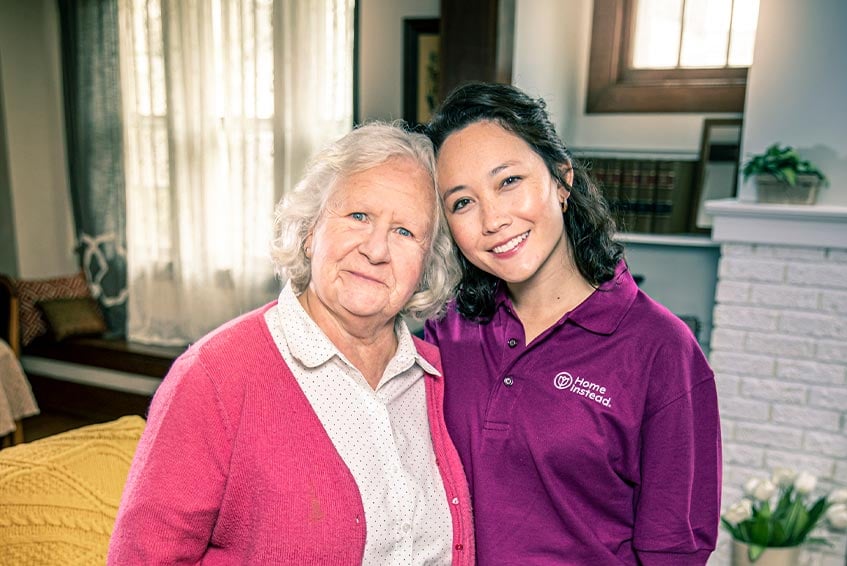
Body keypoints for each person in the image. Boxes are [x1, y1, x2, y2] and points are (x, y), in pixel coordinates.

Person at [108, 122, 474, 565]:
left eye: (404, 232)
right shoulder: (214, 376)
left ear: (427, 261)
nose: (376, 249)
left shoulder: (436, 375)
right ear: (309, 231)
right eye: (358, 216)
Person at [424, 82, 721, 565]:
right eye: (462, 202)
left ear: (562, 182)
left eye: (508, 181)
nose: (493, 218)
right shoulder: (446, 332)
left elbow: (675, 550)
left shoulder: (662, 349)